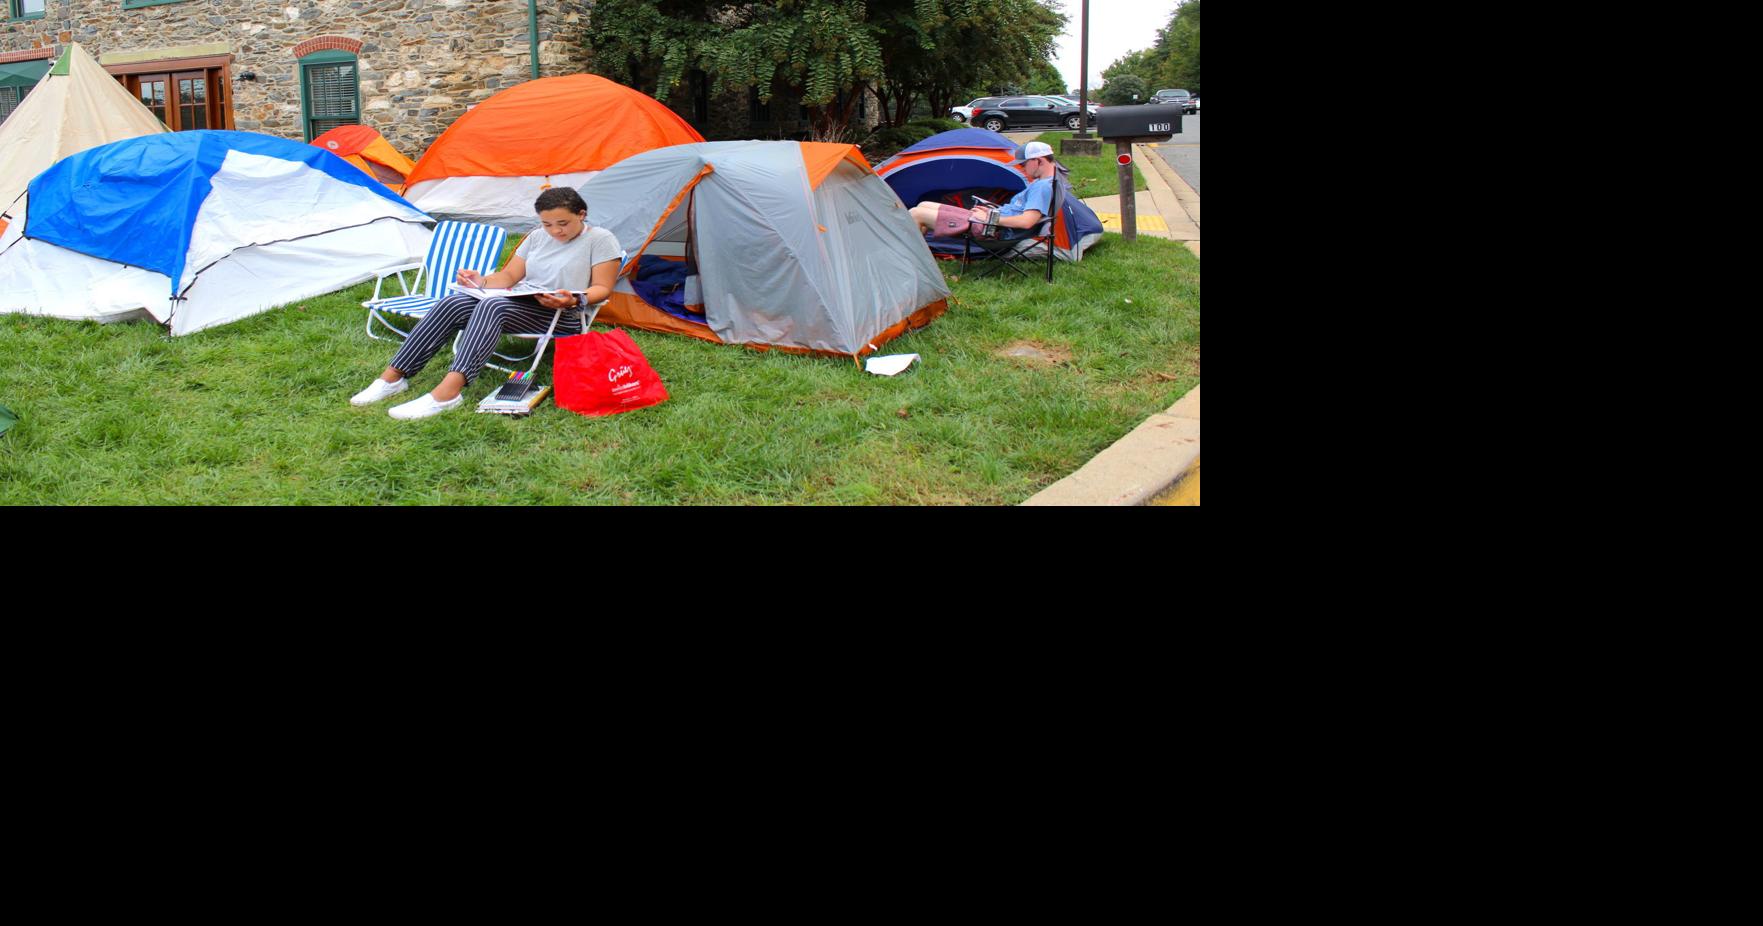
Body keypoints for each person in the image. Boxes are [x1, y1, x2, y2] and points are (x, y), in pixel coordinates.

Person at [351, 187, 621, 419]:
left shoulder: (600, 239)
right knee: (453, 303)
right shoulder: (537, 237)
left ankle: (447, 393)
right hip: (524, 301)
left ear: (581, 215)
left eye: (563, 223)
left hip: (563, 313)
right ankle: (393, 378)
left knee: (493, 307)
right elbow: (510, 276)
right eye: (547, 224)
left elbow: (601, 288)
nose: (555, 231)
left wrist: (573, 298)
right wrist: (480, 281)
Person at [909, 141, 1058, 241]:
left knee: (916, 213)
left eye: (1023, 164)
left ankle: (915, 264)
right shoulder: (1043, 182)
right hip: (991, 221)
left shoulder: (1042, 187)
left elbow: (1026, 222)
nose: (1022, 168)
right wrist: (991, 211)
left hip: (994, 229)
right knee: (924, 204)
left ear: (1038, 161)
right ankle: (923, 259)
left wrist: (988, 218)